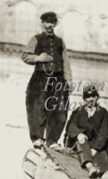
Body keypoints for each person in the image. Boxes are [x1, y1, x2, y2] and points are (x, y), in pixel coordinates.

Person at [22, 11, 72, 150]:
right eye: (47, 22)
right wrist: (38, 58)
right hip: (40, 78)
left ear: (55, 24)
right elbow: (25, 56)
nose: (49, 25)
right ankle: (37, 138)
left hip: (58, 79)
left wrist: (69, 80)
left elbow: (66, 62)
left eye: (52, 22)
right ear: (42, 23)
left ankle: (52, 141)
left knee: (58, 109)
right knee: (37, 107)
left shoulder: (60, 42)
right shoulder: (35, 39)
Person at [65, 86, 108, 179]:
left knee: (102, 153)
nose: (91, 99)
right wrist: (78, 134)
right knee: (81, 141)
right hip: (81, 143)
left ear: (97, 98)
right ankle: (90, 166)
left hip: (95, 144)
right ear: (84, 99)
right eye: (88, 97)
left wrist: (95, 148)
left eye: (93, 96)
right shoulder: (78, 112)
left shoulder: (104, 113)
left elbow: (104, 132)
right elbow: (71, 126)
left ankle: (106, 172)